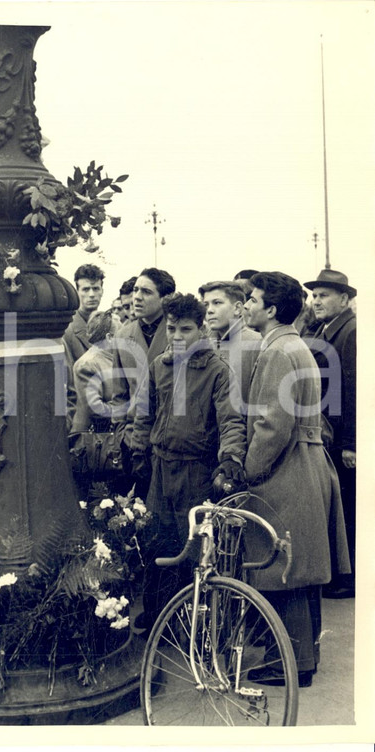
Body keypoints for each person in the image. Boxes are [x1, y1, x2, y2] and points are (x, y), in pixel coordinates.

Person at [242, 271, 350, 687]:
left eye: (252, 299)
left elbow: (272, 425)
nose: (246, 304)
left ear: (270, 309)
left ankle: (288, 664)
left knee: (283, 566)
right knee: (301, 565)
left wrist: (250, 471)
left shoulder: (277, 351)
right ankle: (304, 657)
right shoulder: (294, 344)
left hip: (287, 468)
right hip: (307, 463)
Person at [130, 293, 247, 629]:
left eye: (185, 330)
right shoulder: (159, 367)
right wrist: (139, 451)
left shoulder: (217, 371)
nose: (177, 337)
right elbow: (144, 414)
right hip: (160, 468)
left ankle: (190, 625)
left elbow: (231, 421)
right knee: (158, 544)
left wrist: (230, 458)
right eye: (171, 329)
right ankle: (157, 618)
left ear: (201, 330)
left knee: (193, 549)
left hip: (196, 472)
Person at [304, 269, 357, 598]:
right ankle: (343, 574)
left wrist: (351, 442)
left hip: (341, 435)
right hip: (331, 431)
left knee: (348, 504)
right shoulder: (328, 328)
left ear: (345, 299)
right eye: (314, 295)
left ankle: (349, 579)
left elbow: (352, 390)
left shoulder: (350, 330)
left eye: (324, 295)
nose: (316, 300)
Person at [111, 268, 176, 497]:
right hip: (133, 442)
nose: (137, 296)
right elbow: (118, 392)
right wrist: (121, 432)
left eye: (146, 292)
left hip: (169, 442)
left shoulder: (179, 333)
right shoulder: (123, 336)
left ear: (165, 299)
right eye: (136, 289)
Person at [69, 310, 123, 499]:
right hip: (93, 447)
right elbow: (96, 409)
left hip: (105, 443)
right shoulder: (89, 364)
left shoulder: (108, 360)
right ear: (109, 337)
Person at [198, 280, 261, 414]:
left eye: (217, 303)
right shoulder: (203, 344)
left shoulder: (258, 344)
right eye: (206, 304)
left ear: (237, 308)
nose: (209, 310)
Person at [63, 264, 105, 365]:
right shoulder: (67, 329)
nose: (91, 295)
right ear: (77, 292)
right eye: (86, 289)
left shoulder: (110, 324)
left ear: (102, 291)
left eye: (95, 289)